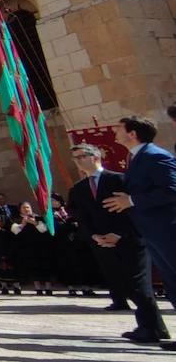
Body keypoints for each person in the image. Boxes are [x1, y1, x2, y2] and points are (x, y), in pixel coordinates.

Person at [70, 143, 165, 339]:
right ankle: (149, 327)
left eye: (81, 157)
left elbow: (133, 210)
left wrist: (119, 233)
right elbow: (80, 216)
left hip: (129, 240)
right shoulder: (78, 189)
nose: (78, 161)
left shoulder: (119, 180)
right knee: (125, 285)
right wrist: (94, 236)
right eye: (75, 158)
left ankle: (153, 328)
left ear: (95, 157)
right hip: (102, 243)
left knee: (139, 285)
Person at [103, 116, 176, 351]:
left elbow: (173, 190)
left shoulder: (156, 156)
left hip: (168, 229)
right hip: (153, 231)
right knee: (172, 283)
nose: (115, 132)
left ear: (132, 133)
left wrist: (132, 200)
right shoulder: (137, 158)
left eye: (119, 128)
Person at [11, 203, 54, 295]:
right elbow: (15, 231)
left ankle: (48, 288)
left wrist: (34, 222)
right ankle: (38, 288)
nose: (26, 209)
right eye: (23, 208)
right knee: (33, 267)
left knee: (45, 266)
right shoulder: (16, 219)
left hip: (41, 246)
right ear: (20, 209)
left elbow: (44, 230)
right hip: (26, 247)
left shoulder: (38, 217)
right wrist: (23, 223)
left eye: (28, 207)